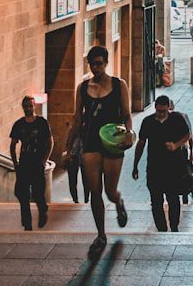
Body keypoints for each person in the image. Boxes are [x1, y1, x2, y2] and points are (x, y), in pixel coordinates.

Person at [67, 45, 135, 250]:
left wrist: (129, 134)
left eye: (99, 64)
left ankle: (118, 201)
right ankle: (101, 235)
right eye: (92, 64)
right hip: (91, 142)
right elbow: (77, 117)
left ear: (106, 63)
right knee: (95, 191)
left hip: (113, 142)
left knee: (109, 191)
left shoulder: (118, 85)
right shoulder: (83, 88)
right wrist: (68, 146)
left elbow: (127, 114)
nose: (95, 68)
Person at [132, 95, 191, 232]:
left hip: (173, 168)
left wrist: (176, 145)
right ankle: (162, 229)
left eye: (164, 111)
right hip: (154, 168)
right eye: (159, 111)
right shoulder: (148, 122)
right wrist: (135, 165)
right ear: (155, 108)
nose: (161, 114)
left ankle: (174, 226)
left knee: (173, 199)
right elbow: (141, 143)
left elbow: (187, 134)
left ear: (168, 108)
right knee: (156, 202)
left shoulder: (177, 119)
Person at [10, 96, 52, 231]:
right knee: (22, 195)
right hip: (24, 164)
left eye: (30, 106)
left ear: (34, 106)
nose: (28, 109)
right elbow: (12, 145)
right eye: (25, 106)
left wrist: (44, 161)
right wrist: (15, 163)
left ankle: (42, 210)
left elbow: (50, 143)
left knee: (38, 193)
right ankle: (27, 224)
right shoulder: (18, 124)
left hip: (37, 164)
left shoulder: (42, 123)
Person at [62, 117, 88, 204]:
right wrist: (67, 154)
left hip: (83, 155)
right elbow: (67, 141)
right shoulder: (73, 128)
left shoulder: (87, 129)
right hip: (73, 156)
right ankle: (76, 200)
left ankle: (86, 200)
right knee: (73, 179)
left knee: (85, 179)